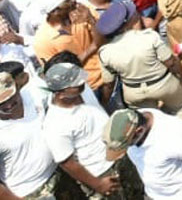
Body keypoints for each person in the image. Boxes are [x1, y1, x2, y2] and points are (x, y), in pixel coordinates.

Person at [42, 61, 137, 199]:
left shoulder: (82, 89)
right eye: (77, 83)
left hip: (122, 157)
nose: (82, 82)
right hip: (102, 172)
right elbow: (66, 162)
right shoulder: (54, 124)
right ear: (61, 93)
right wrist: (98, 184)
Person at [95, 2, 182, 124]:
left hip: (134, 93)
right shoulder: (149, 37)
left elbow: (109, 84)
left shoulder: (104, 52)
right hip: (163, 84)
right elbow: (171, 62)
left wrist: (104, 102)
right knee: (181, 106)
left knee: (150, 122)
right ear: (126, 24)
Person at [102, 107, 182, 200]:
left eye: (127, 145)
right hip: (155, 195)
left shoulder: (168, 137)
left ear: (138, 131)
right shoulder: (136, 117)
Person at [0, 69, 60, 199]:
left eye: (11, 97)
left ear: (18, 88)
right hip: (31, 193)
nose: (9, 105)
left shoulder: (33, 95)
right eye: (2, 103)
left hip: (60, 174)